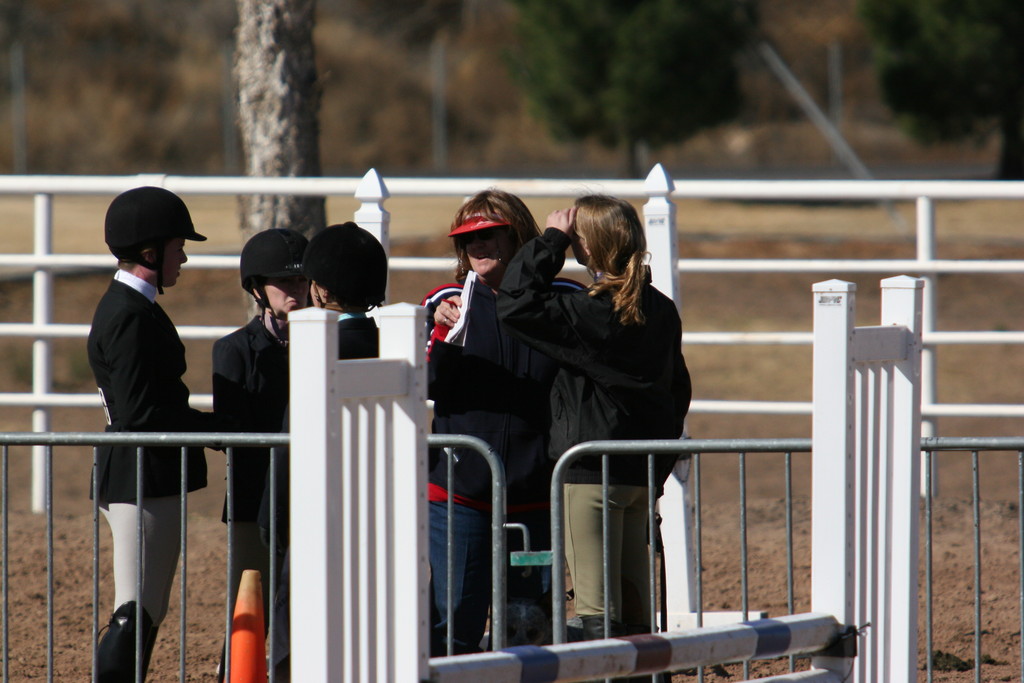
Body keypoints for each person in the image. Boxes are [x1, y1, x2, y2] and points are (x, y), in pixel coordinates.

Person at [496, 194, 691, 641]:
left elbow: (515, 303)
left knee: (595, 611)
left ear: (589, 245)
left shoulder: (592, 310)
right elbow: (677, 391)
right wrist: (657, 469)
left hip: (587, 473)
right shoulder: (660, 309)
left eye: (576, 238)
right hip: (638, 472)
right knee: (635, 607)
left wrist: (549, 241)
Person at [421, 189, 584, 655]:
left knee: (531, 628)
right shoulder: (445, 301)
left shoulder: (565, 299)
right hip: (460, 495)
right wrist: (442, 334)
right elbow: (426, 381)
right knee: (454, 626)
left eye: (492, 235)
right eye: (467, 239)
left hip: (537, 496)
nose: (479, 246)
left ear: (520, 238)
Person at [88, 186, 230, 682]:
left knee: (147, 609)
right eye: (178, 247)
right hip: (140, 474)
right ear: (151, 252)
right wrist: (218, 430)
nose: (184, 257)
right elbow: (141, 414)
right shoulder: (128, 314)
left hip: (147, 473)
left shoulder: (133, 307)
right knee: (135, 611)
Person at [260, 221, 387, 680]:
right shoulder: (387, 341)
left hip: (316, 515)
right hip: (377, 517)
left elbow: (293, 443)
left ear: (320, 288)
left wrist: (272, 514)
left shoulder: (317, 347)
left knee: (296, 635)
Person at [211, 228, 308, 677]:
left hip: (312, 500)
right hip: (257, 503)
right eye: (283, 283)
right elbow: (237, 435)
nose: (296, 290)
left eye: (302, 280)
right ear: (257, 289)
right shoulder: (233, 351)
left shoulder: (329, 344)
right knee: (250, 613)